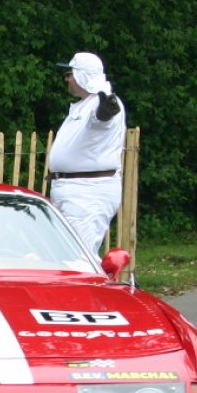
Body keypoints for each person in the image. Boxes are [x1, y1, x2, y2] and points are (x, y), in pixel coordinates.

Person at [47, 51, 126, 253]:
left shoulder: (102, 104)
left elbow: (101, 119)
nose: (67, 78)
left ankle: (101, 284)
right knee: (67, 254)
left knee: (80, 255)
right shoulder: (84, 104)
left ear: (83, 75)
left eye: (71, 73)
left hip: (87, 194)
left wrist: (105, 109)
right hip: (73, 191)